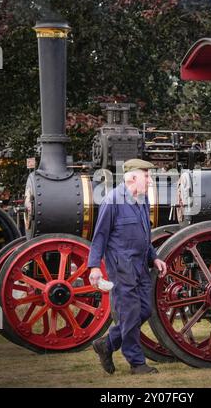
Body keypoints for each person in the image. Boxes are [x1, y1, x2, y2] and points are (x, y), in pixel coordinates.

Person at [88, 159, 167, 375]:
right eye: (147, 176)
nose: (150, 180)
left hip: (140, 266)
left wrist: (154, 258)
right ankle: (137, 363)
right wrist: (94, 267)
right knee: (131, 313)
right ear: (132, 177)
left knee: (144, 310)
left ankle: (107, 344)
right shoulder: (112, 201)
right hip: (121, 268)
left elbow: (145, 234)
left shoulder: (142, 200)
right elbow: (100, 236)